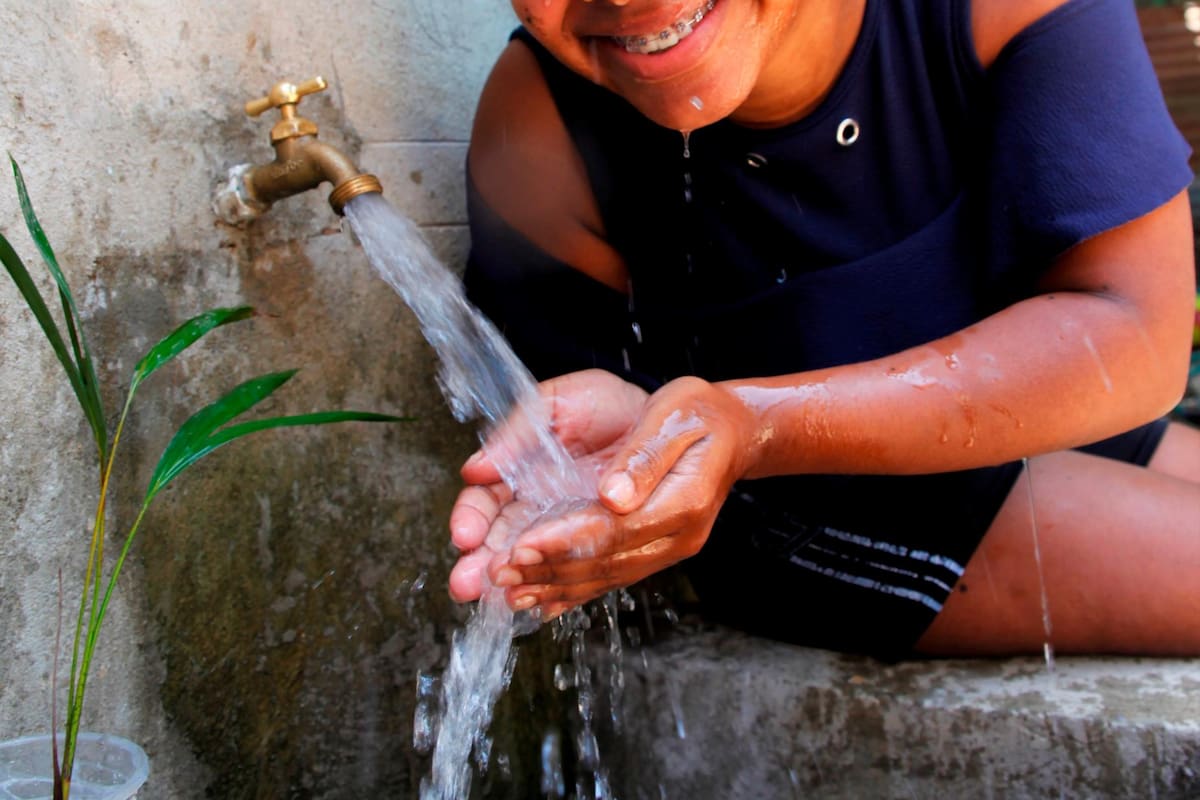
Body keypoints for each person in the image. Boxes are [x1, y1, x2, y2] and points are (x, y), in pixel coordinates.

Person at [446, 0, 1200, 660]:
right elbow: (610, 421)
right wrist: (637, 426)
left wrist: (755, 421)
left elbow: (1132, 328)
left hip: (1037, 410)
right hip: (795, 509)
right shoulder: (541, 128)